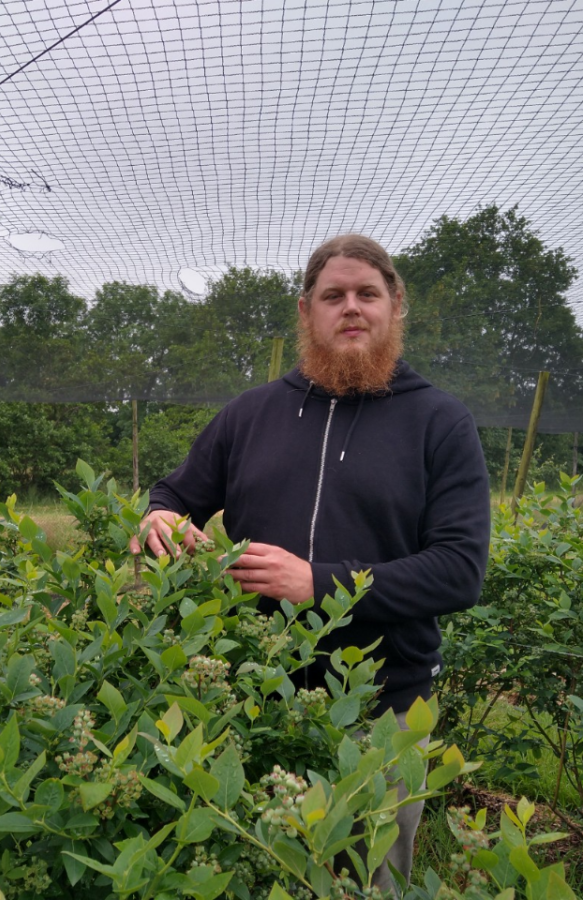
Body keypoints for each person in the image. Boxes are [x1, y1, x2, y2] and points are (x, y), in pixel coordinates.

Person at [129, 233, 490, 890]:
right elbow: (176, 494)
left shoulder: (440, 422)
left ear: (394, 307)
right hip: (253, 695)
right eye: (333, 296)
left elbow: (460, 569)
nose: (350, 308)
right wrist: (160, 516)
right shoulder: (250, 415)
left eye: (366, 294)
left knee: (366, 878)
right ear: (307, 313)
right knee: (250, 872)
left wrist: (318, 584)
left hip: (383, 707)